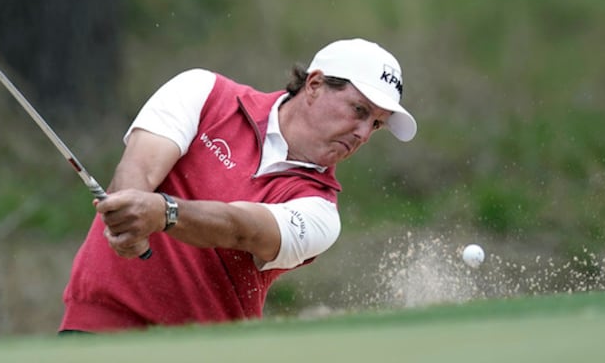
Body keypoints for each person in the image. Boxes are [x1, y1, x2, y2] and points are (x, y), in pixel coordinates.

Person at [59, 38, 417, 333]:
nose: (364, 133)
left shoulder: (320, 211)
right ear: (315, 85)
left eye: (377, 124)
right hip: (99, 325)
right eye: (359, 110)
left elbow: (242, 230)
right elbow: (136, 170)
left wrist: (163, 213)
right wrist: (129, 214)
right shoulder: (205, 93)